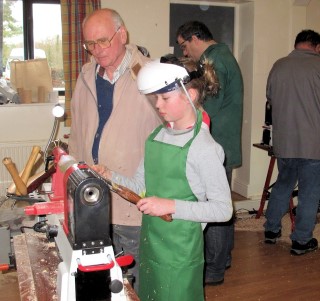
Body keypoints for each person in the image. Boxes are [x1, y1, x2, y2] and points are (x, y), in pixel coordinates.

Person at [92, 56, 233, 301]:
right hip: (152, 244)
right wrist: (109, 176)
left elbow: (223, 210)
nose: (158, 105)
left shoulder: (204, 148)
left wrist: (170, 205)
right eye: (155, 98)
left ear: (191, 94)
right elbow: (139, 186)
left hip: (180, 253)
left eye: (165, 98)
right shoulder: (157, 136)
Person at [67, 8, 162, 290]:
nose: (96, 50)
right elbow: (76, 135)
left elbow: (181, 128)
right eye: (90, 44)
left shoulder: (148, 74)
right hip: (90, 200)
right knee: (100, 282)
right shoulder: (85, 75)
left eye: (103, 41)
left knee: (138, 283)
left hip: (132, 201)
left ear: (122, 35)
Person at [176, 21, 243, 285]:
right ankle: (222, 258)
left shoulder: (212, 62)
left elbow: (206, 108)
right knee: (221, 202)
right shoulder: (223, 56)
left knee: (213, 208)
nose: (185, 52)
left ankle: (214, 268)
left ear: (195, 38)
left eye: (184, 45)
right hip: (223, 143)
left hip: (216, 144)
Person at [264, 29, 320, 255]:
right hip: (313, 144)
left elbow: (270, 98)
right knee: (309, 192)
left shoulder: (278, 65)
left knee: (283, 186)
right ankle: (301, 240)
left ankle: (270, 230)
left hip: (284, 142)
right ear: (317, 47)